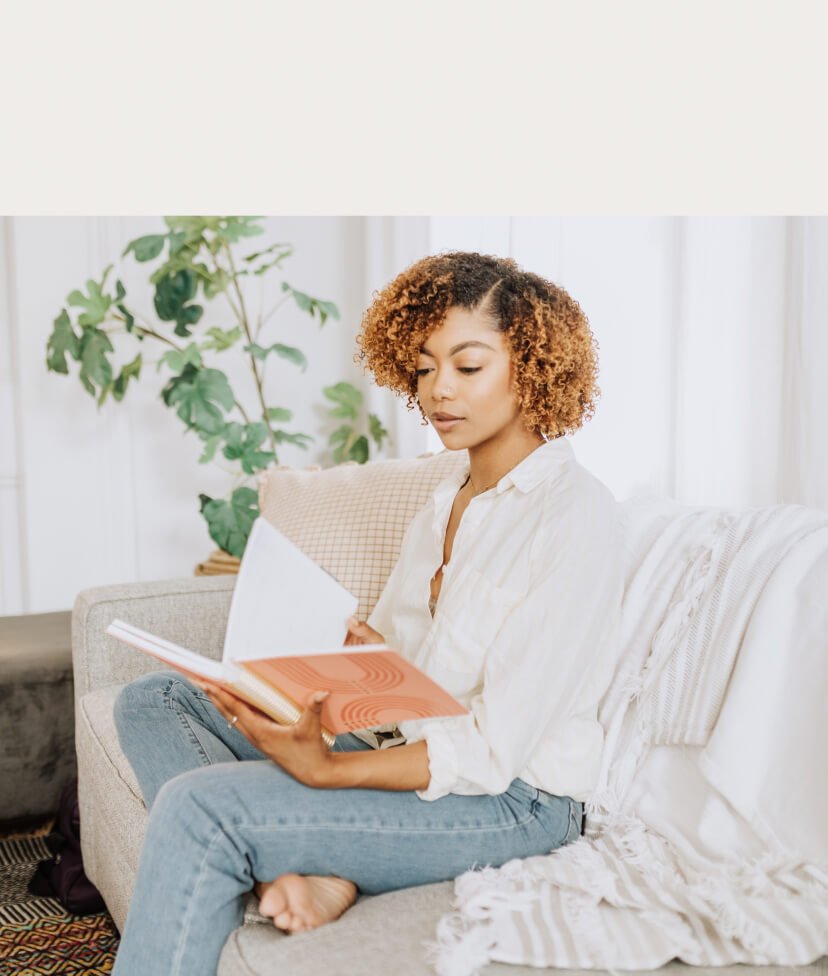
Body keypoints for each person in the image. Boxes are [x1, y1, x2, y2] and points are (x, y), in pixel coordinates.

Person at [111, 250, 621, 976]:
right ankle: (300, 864)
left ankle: (303, 852)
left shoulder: (573, 517)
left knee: (200, 808)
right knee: (152, 699)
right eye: (422, 367)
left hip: (511, 801)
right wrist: (354, 656)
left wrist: (326, 774)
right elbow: (407, 677)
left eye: (467, 367)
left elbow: (493, 751)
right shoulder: (446, 499)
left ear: (533, 367)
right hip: (400, 748)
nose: (438, 389)